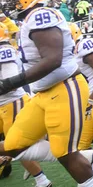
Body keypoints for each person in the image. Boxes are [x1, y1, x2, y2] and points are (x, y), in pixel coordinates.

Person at [0, 0, 93, 186]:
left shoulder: (41, 15)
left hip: (65, 87)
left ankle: (84, 168)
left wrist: (8, 83)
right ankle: (85, 156)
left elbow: (53, 60)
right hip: (43, 93)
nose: (10, 3)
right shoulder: (29, 19)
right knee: (13, 143)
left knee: (65, 153)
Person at [0, 23, 52, 187]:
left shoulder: (4, 50)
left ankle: (42, 179)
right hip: (4, 104)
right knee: (13, 147)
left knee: (15, 146)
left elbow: (11, 82)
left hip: (12, 102)